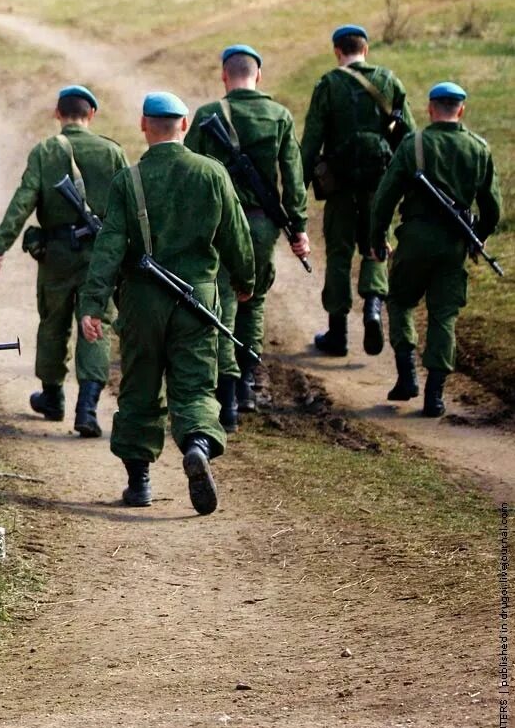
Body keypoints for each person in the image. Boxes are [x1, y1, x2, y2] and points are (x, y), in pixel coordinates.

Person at [79, 92, 255, 513]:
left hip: (141, 301)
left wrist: (93, 303)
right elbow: (237, 235)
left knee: (140, 388)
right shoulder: (212, 173)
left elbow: (108, 249)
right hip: (199, 299)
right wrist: (247, 280)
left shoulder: (130, 180)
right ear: (186, 124)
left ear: (144, 125)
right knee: (194, 385)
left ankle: (139, 482)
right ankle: (196, 444)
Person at [0, 85, 127, 437]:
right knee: (96, 324)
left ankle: (52, 398)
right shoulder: (112, 152)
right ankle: (88, 409)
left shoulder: (47, 150)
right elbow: (129, 207)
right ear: (91, 115)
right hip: (101, 258)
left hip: (57, 255)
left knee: (53, 322)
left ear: (57, 113)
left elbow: (24, 200)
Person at [185, 44, 309, 429]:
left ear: (225, 76)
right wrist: (298, 227)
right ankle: (246, 386)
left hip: (218, 222)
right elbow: (292, 175)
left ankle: (227, 399)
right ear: (259, 76)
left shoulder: (208, 115)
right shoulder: (279, 115)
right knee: (252, 300)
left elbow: (190, 172)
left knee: (221, 303)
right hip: (260, 223)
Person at [370, 81, 502, 417]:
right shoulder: (478, 148)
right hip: (454, 244)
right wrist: (478, 235)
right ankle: (435, 396)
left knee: (400, 301)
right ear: (462, 110)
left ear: (430, 109)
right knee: (444, 315)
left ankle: (407, 375)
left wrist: (377, 237)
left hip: (414, 238)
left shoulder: (414, 144)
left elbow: (385, 197)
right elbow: (492, 209)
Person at [300, 24, 415, 358]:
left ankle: (338, 334)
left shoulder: (328, 84)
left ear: (338, 52)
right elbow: (408, 137)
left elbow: (310, 142)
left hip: (339, 186)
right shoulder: (388, 81)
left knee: (338, 253)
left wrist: (297, 191)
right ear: (365, 50)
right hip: (379, 183)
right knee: (375, 243)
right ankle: (374, 308)